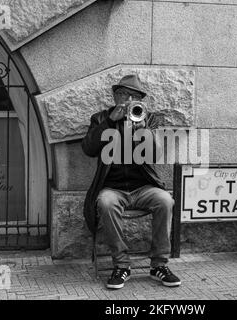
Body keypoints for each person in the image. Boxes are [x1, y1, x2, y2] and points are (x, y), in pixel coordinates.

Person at [81, 74, 181, 290]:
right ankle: (121, 265)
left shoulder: (149, 119)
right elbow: (88, 149)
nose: (128, 100)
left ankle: (159, 265)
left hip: (143, 186)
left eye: (134, 96)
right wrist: (110, 122)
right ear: (116, 96)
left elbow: (155, 156)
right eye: (124, 94)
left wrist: (143, 129)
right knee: (106, 203)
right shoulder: (100, 119)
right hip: (112, 188)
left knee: (165, 200)